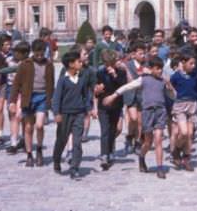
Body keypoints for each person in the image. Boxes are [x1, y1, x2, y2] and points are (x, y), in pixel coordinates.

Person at [104, 55, 173, 178]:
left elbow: (173, 95)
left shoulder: (163, 81)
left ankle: (160, 167)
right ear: (151, 69)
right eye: (157, 69)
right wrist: (113, 96)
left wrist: (170, 87)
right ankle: (142, 156)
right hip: (148, 112)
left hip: (160, 112)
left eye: (161, 69)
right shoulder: (144, 80)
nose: (160, 71)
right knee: (148, 141)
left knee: (158, 139)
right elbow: (127, 87)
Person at [10, 38, 55, 167]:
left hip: (42, 97)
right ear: (33, 52)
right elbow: (16, 84)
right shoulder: (25, 64)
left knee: (40, 125)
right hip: (29, 97)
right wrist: (13, 101)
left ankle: (39, 149)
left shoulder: (49, 64)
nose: (40, 57)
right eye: (37, 54)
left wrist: (51, 99)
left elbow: (51, 84)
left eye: (42, 54)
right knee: (28, 127)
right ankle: (29, 154)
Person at [52, 50, 94, 179]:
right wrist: (57, 113)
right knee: (62, 140)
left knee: (77, 142)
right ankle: (57, 160)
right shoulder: (63, 80)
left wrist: (89, 109)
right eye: (78, 61)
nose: (81, 63)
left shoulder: (81, 79)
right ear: (71, 64)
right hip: (65, 114)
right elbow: (57, 97)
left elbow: (86, 96)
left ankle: (75, 167)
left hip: (79, 114)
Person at [169, 51, 197, 171]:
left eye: (194, 63)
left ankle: (186, 158)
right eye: (191, 63)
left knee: (189, 134)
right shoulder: (176, 76)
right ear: (183, 63)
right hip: (180, 106)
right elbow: (170, 87)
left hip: (192, 105)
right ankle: (176, 150)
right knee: (183, 132)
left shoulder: (196, 75)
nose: (193, 66)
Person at [95, 49, 128, 170]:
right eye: (106, 63)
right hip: (103, 105)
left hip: (116, 105)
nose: (108, 65)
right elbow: (97, 89)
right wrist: (97, 90)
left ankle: (109, 151)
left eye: (110, 63)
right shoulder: (100, 72)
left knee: (113, 130)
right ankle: (104, 155)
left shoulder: (121, 72)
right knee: (105, 130)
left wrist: (115, 75)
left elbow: (123, 86)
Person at [122, 41, 146, 154]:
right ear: (134, 54)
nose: (143, 55)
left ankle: (137, 142)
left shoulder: (146, 65)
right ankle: (129, 135)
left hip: (142, 95)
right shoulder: (128, 64)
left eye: (144, 53)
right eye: (140, 53)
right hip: (131, 95)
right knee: (133, 118)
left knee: (140, 121)